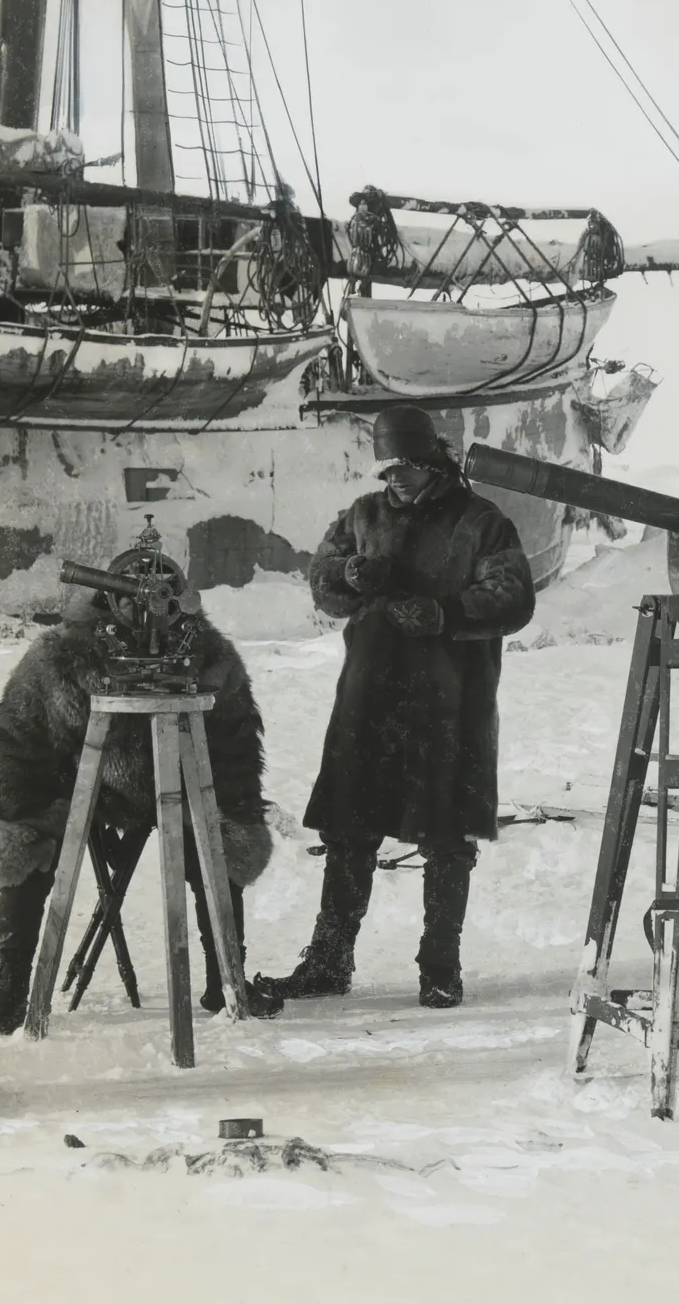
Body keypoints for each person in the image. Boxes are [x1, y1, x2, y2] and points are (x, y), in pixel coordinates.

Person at [252, 405, 536, 1011]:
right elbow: (323, 577)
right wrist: (350, 574)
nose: (394, 479)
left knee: (447, 834)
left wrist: (446, 614)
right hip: (370, 699)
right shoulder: (364, 515)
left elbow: (513, 596)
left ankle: (440, 968)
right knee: (350, 827)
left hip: (449, 702)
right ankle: (328, 963)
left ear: (433, 460)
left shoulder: (481, 522)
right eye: (387, 468)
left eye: (405, 465)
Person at [0, 584, 272, 1033]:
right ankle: (9, 992)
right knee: (23, 842)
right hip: (88, 788)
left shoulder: (209, 655)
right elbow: (19, 745)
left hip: (181, 786)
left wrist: (235, 817)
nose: (146, 612)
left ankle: (225, 981)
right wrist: (24, 813)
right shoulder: (59, 656)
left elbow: (236, 754)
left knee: (219, 838)